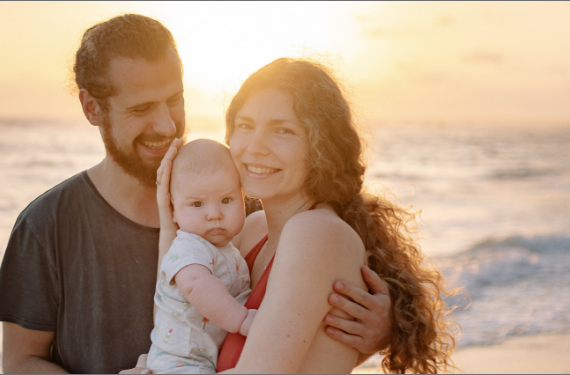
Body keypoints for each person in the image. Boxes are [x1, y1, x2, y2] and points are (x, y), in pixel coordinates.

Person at [0, 14, 397, 374]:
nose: (166, 125)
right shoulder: (48, 223)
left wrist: (378, 332)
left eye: (175, 100)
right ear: (93, 108)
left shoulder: (242, 208)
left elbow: (292, 337)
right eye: (141, 108)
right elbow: (21, 363)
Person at [141, 58, 457, 373]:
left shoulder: (315, 234)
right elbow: (174, 317)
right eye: (246, 126)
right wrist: (170, 222)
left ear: (320, 147)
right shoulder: (251, 231)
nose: (255, 146)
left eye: (283, 130)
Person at [146, 139, 255, 373]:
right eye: (197, 204)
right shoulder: (189, 246)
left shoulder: (226, 249)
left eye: (226, 200)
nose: (214, 214)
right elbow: (196, 285)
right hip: (180, 362)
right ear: (173, 210)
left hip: (201, 360)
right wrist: (242, 320)